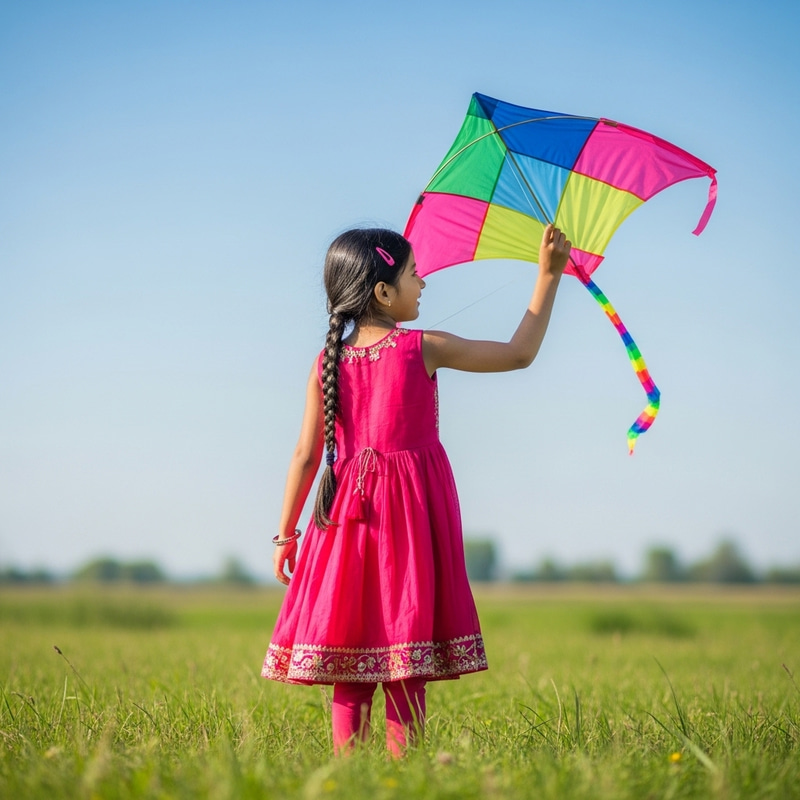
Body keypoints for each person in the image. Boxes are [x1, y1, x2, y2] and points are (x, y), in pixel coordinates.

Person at [261, 224, 571, 756]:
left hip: (342, 521)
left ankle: (350, 782)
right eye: (412, 273)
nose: (423, 282)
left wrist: (285, 535)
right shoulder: (420, 348)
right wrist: (548, 276)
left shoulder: (326, 363)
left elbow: (306, 457)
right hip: (407, 518)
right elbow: (519, 354)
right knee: (406, 653)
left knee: (349, 652)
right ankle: (407, 778)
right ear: (383, 291)